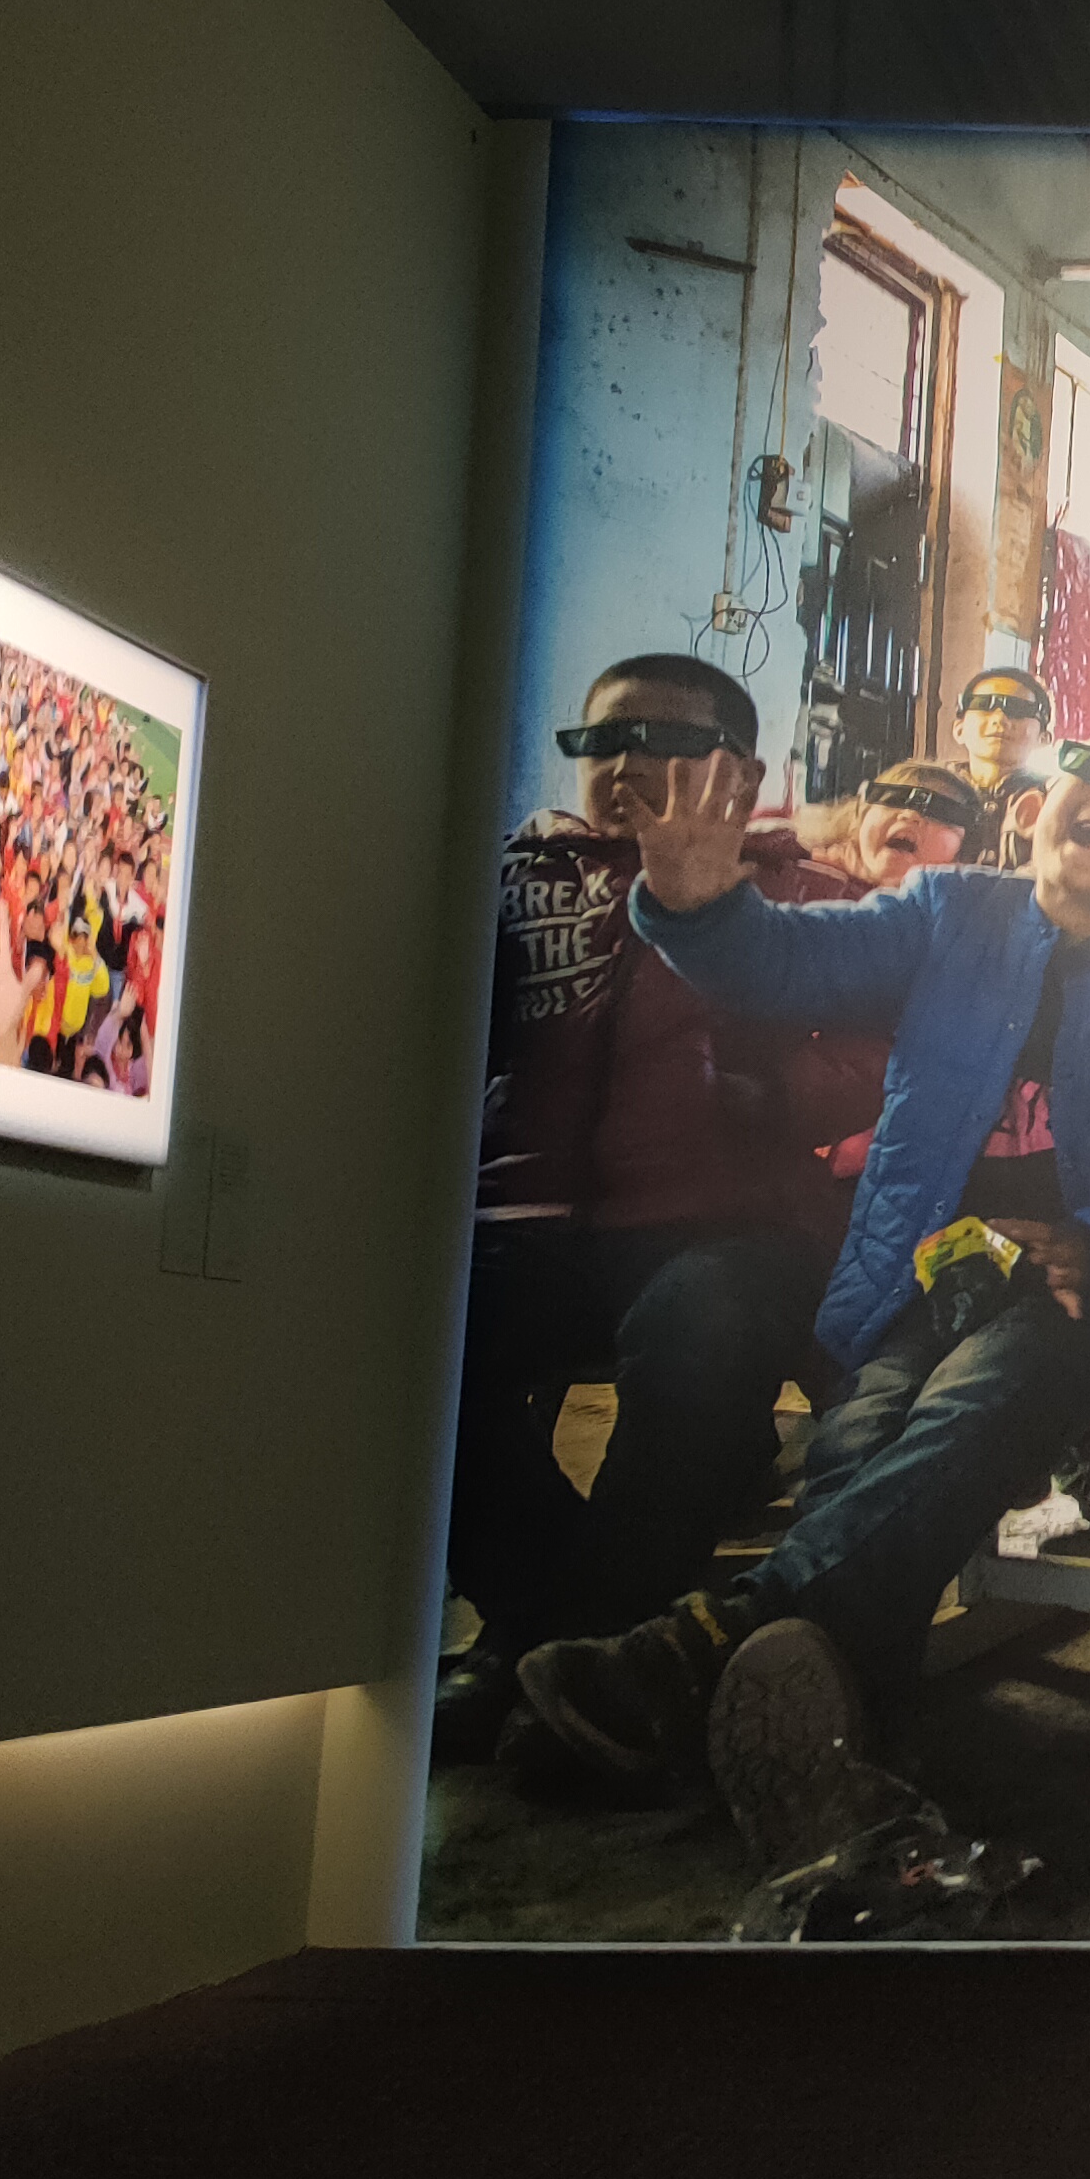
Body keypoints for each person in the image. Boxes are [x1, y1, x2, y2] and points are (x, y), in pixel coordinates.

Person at [509, 713, 1090, 1829]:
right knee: (859, 1444)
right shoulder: (949, 914)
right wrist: (696, 905)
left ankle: (700, 1651)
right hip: (934, 1275)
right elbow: (785, 963)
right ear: (1036, 809)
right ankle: (817, 1735)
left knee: (976, 1396)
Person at [437, 654, 885, 1758]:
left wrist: (767, 1085)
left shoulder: (803, 897)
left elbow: (881, 1053)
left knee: (704, 1330)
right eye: (603, 742)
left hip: (729, 1222)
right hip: (524, 1223)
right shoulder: (513, 883)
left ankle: (577, 1652)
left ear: (744, 774)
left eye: (668, 743)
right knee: (400, 1341)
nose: (628, 765)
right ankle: (556, 1636)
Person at [800, 760, 986, 891]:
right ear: (860, 818)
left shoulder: (960, 920)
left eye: (939, 812)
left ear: (962, 855)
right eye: (894, 799)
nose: (911, 815)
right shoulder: (800, 869)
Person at [950, 665, 1056, 864]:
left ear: (1044, 738)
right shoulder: (929, 790)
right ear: (959, 729)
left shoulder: (1056, 800)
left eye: (1018, 709)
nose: (1000, 719)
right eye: (984, 705)